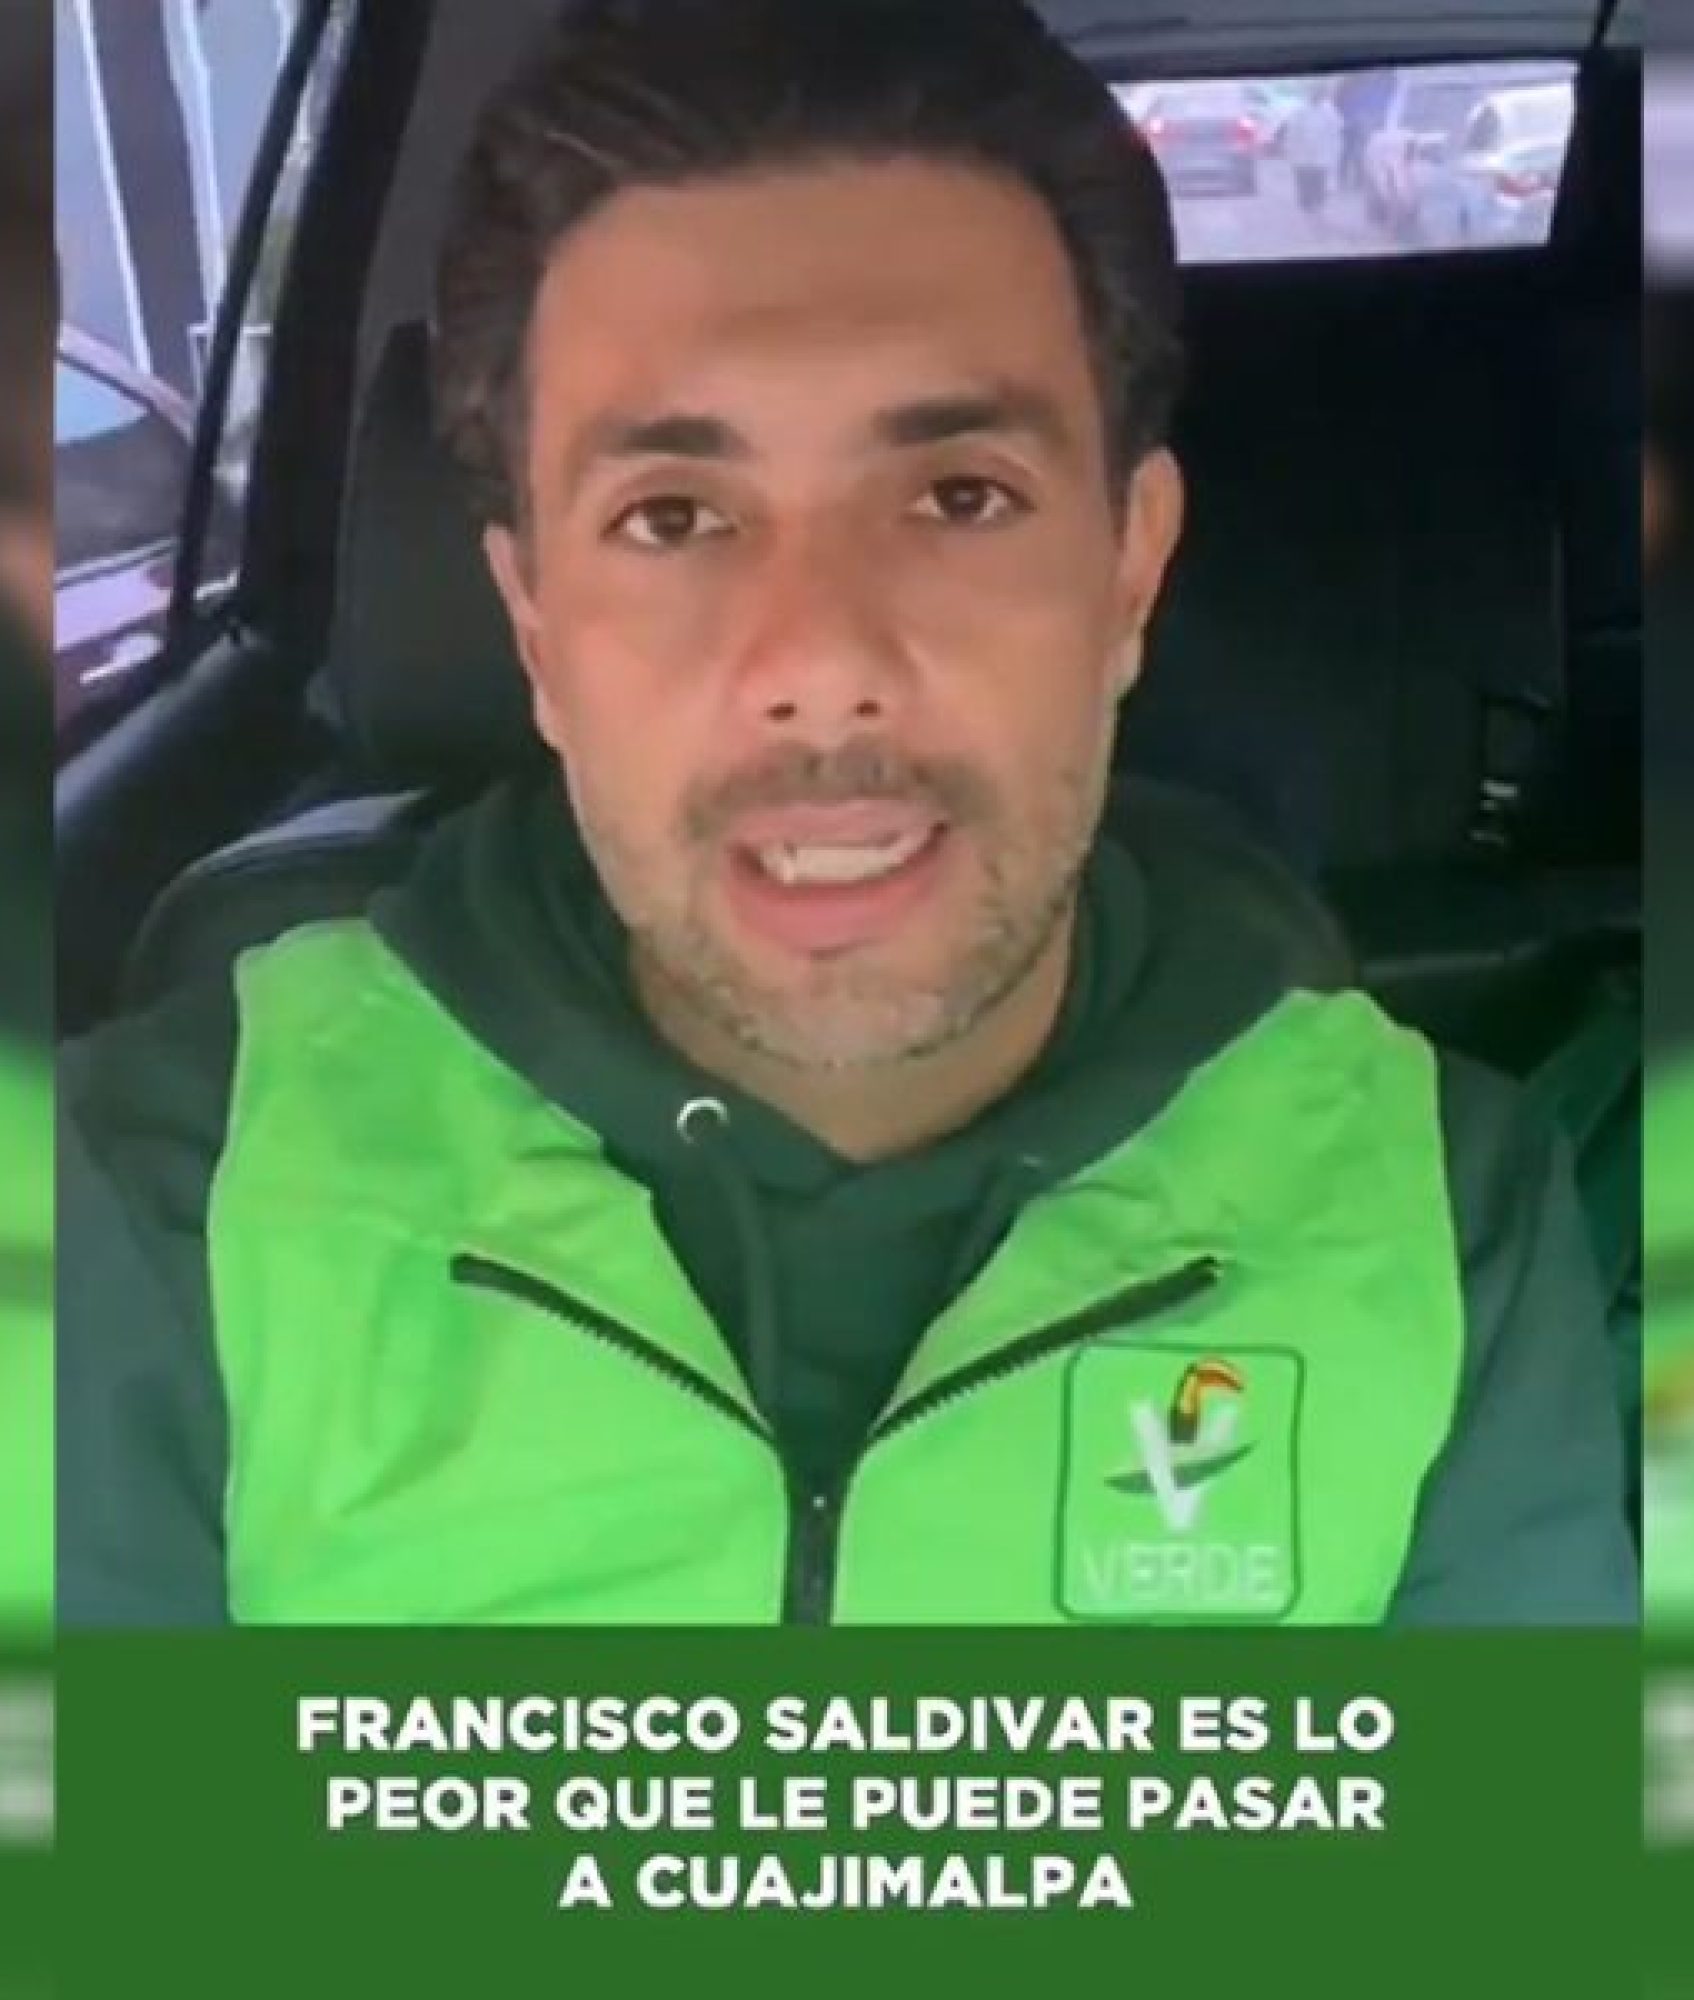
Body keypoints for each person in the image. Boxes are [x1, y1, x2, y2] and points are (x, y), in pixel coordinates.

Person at [59, 0, 1636, 1628]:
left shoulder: (1437, 1215)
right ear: (535, 632)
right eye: (672, 517)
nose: (819, 666)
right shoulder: (159, 1201)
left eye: (957, 497)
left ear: (1127, 572)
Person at [1283, 87, 1345, 225]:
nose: (1316, 96)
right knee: (1304, 182)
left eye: (1319, 94)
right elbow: (1292, 132)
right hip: (1302, 154)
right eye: (1314, 93)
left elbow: (1336, 131)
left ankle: (1318, 209)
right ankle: (1307, 211)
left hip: (1322, 155)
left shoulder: (1329, 111)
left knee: (1319, 182)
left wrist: (1334, 151)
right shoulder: (1300, 110)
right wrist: (1291, 149)